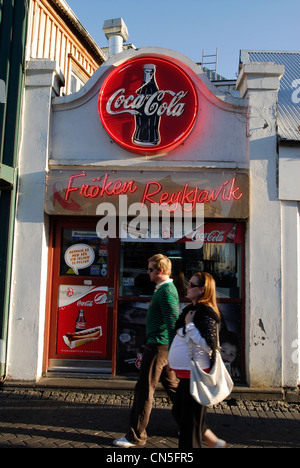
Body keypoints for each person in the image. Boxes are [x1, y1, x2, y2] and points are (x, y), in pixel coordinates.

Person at [114, 254, 179, 448]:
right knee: (175, 390)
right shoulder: (162, 289)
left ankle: (136, 436)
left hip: (159, 347)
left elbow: (173, 323)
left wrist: (173, 353)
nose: (147, 272)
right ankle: (192, 425)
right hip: (161, 346)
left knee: (144, 391)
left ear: (160, 271)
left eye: (150, 269)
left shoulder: (166, 291)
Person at [169, 272, 226, 448]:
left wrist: (190, 326)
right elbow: (180, 332)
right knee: (180, 412)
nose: (187, 287)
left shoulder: (206, 313)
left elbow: (210, 346)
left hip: (196, 374)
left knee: (189, 424)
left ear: (202, 290)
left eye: (191, 285)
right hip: (186, 373)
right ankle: (212, 441)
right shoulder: (190, 309)